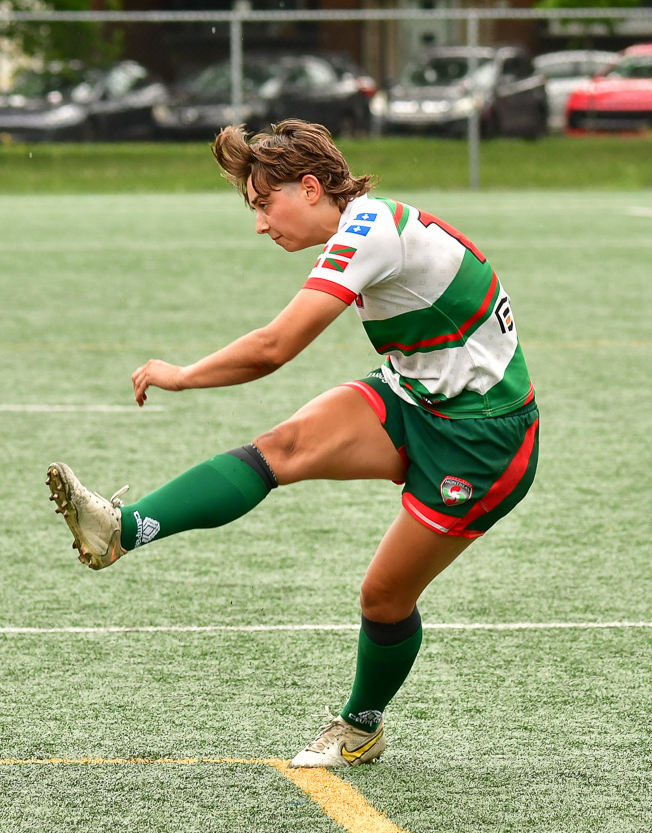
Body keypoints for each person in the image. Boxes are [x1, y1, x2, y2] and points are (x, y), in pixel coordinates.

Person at [46, 119, 538, 768]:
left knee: (383, 599)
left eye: (262, 203)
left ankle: (361, 726)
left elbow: (276, 347)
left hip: (484, 440)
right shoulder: (365, 227)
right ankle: (120, 529)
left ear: (310, 187)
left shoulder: (369, 233)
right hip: (417, 396)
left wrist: (183, 374)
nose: (259, 223)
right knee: (282, 447)